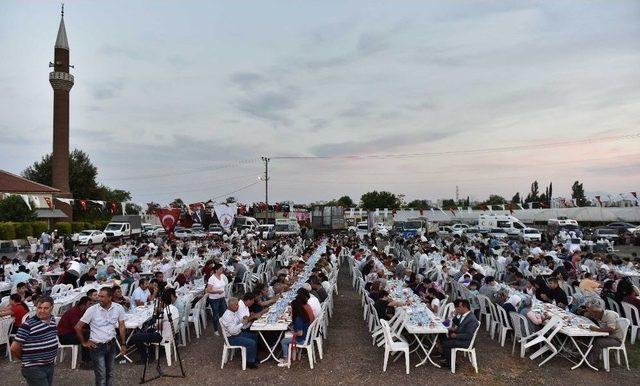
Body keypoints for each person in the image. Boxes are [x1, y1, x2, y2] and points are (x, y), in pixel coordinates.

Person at [75, 287, 127, 386]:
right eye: (99, 296)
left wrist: (123, 343)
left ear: (110, 297)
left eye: (102, 297)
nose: (99, 298)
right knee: (101, 376)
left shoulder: (118, 308)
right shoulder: (92, 310)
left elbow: (121, 325)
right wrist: (84, 343)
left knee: (110, 373)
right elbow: (78, 327)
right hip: (97, 347)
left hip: (111, 345)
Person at [11, 296, 58, 386]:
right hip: (33, 368)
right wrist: (25, 359)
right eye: (39, 308)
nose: (42, 311)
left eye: (46, 308)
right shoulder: (27, 325)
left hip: (49, 365)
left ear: (52, 308)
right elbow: (14, 348)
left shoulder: (52, 320)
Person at [437, 299, 480, 368]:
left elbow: (469, 335)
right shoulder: (464, 315)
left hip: (466, 342)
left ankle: (452, 364)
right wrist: (456, 314)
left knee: (446, 343)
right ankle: (445, 355)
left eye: (458, 307)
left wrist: (456, 335)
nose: (457, 308)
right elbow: (457, 323)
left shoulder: (471, 319)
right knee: (442, 334)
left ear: (464, 307)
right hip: (460, 336)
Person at [219, 297, 259, 369]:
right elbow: (232, 331)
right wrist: (242, 323)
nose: (238, 306)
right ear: (231, 306)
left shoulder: (232, 312)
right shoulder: (227, 316)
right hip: (231, 338)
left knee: (254, 337)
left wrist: (243, 319)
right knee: (251, 343)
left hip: (237, 334)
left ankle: (253, 357)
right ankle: (250, 362)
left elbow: (236, 323)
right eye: (236, 305)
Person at [585, 302, 625, 366]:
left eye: (591, 314)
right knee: (589, 338)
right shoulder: (598, 315)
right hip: (607, 336)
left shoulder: (609, 315)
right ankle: (585, 356)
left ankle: (590, 362)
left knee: (598, 342)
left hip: (616, 339)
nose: (591, 315)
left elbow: (611, 330)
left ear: (597, 312)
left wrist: (596, 329)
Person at [278, 295, 312, 367]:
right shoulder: (303, 314)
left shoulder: (298, 319)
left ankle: (286, 359)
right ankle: (288, 356)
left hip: (302, 339)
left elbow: (300, 333)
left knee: (283, 341)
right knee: (286, 336)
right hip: (307, 336)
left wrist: (294, 332)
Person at [57, 296, 91, 363]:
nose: (90, 306)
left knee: (91, 334)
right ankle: (86, 361)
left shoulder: (81, 310)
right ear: (83, 305)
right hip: (64, 337)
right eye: (89, 304)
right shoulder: (74, 312)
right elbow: (77, 328)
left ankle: (90, 357)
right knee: (86, 336)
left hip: (71, 333)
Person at [207, 263, 228, 336]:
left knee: (224, 313)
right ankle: (215, 330)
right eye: (220, 269)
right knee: (215, 315)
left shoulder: (221, 276)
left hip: (222, 298)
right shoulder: (212, 278)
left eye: (222, 269)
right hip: (214, 299)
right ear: (216, 270)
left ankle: (224, 328)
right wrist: (217, 291)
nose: (222, 270)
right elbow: (208, 290)